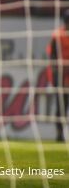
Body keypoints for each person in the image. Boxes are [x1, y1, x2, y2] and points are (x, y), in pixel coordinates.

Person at [47, 10, 69, 142]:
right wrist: (57, 75)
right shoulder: (57, 35)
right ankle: (59, 133)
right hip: (61, 75)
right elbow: (53, 56)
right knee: (61, 106)